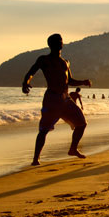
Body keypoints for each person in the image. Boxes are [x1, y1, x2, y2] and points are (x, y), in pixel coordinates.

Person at [22, 33, 91, 166]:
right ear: (50, 44)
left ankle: (73, 149)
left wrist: (83, 82)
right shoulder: (44, 59)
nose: (60, 42)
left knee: (82, 124)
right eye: (57, 41)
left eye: (61, 40)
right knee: (43, 130)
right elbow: (31, 72)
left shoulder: (65, 62)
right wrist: (25, 82)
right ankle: (35, 159)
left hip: (66, 99)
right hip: (52, 98)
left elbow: (70, 80)